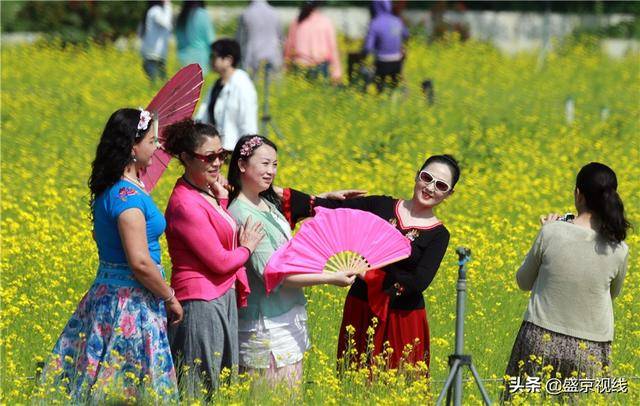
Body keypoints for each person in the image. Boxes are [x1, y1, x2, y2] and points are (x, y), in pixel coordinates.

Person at [44, 108, 182, 400]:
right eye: (152, 141)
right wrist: (169, 297)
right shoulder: (127, 198)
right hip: (130, 305)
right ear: (133, 146)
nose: (157, 147)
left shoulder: (114, 190)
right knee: (127, 389)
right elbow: (140, 263)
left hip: (107, 296)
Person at [281, 154, 460, 371]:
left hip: (402, 318)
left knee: (398, 389)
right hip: (361, 307)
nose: (430, 188)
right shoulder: (380, 205)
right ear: (416, 176)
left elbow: (418, 282)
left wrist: (370, 275)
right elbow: (331, 210)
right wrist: (267, 192)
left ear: (449, 194)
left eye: (440, 185)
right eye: (426, 178)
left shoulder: (439, 234)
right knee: (352, 380)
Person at [226, 135, 359, 386]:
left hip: (287, 314)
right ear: (242, 165)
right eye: (264, 164)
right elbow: (276, 274)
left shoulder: (266, 202)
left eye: (275, 165)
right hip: (266, 322)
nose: (271, 171)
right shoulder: (243, 214)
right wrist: (331, 278)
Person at [503, 162, 630, 398]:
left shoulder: (551, 232)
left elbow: (523, 281)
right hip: (591, 347)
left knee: (525, 400)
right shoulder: (619, 248)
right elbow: (611, 293)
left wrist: (546, 231)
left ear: (578, 195)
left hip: (540, 338)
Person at [162, 120, 263, 395]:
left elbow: (219, 234)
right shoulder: (184, 204)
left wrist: (219, 199)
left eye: (222, 155)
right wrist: (247, 248)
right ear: (185, 157)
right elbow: (219, 260)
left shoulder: (204, 192)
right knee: (199, 389)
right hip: (200, 303)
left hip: (221, 296)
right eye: (209, 157)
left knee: (218, 386)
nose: (218, 162)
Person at [195, 39, 258, 152]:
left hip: (234, 150)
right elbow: (203, 116)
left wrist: (247, 152)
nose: (211, 60)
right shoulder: (216, 85)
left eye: (214, 56)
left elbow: (248, 122)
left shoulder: (242, 85)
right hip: (216, 149)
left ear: (228, 60)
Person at [283, 1, 342, 83]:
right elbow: (333, 48)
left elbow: (288, 47)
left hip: (300, 66)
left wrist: (286, 66)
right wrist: (337, 71)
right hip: (320, 66)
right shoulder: (325, 22)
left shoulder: (297, 21)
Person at [363, 0, 408, 92]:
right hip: (397, 63)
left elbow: (368, 48)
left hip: (382, 64)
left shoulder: (375, 23)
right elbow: (406, 34)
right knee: (394, 89)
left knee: (370, 81)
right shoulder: (396, 20)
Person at [236, 0, 283, 77]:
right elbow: (280, 38)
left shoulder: (245, 14)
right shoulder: (275, 13)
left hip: (251, 59)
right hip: (273, 58)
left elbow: (239, 40)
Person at [175, 1, 215, 75]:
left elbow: (178, 38)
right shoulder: (203, 14)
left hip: (182, 58)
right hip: (200, 59)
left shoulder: (182, 15)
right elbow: (210, 39)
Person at [139, 0, 173, 82]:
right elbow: (166, 23)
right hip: (153, 55)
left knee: (160, 85)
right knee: (159, 85)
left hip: (154, 55)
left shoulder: (151, 10)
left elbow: (140, 33)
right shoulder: (156, 11)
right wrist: (168, 6)